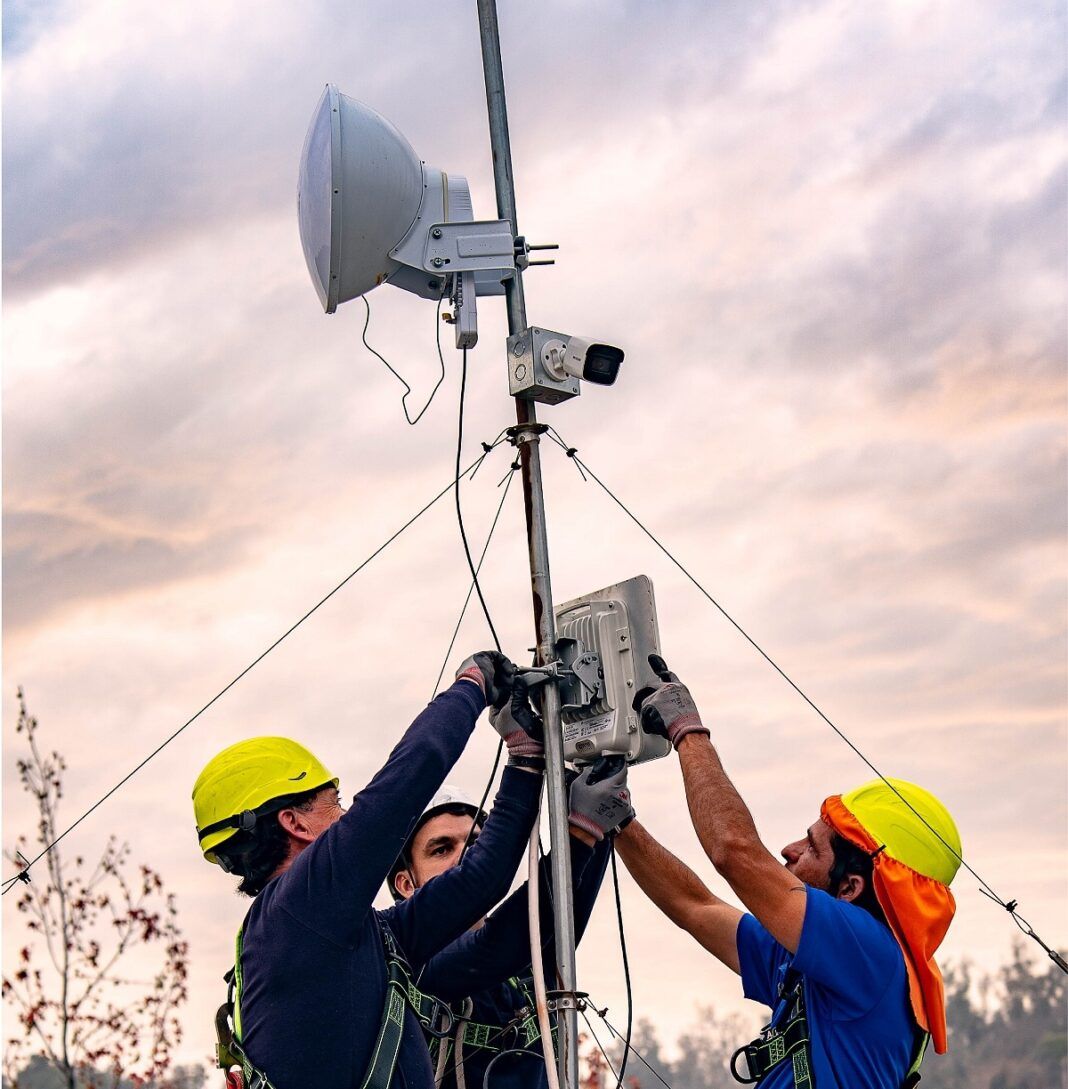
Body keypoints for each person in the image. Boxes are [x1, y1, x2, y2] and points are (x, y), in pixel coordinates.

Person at [192, 651, 546, 1089]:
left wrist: (526, 757)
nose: (345, 816)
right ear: (295, 822)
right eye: (334, 803)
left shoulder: (342, 933)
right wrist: (472, 685)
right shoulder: (297, 907)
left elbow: (479, 881)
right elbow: (406, 780)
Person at [616, 655, 961, 1089]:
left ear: (851, 888)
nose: (789, 851)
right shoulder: (819, 959)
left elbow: (734, 852)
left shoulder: (867, 951)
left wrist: (687, 730)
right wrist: (618, 821)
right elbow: (695, 906)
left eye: (811, 847)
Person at [387, 692, 630, 1089]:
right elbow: (496, 947)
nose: (463, 860)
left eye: (476, 845)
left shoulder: (522, 964)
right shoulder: (406, 964)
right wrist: (583, 829)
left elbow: (565, 906)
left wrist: (592, 757)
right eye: (441, 849)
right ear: (406, 884)